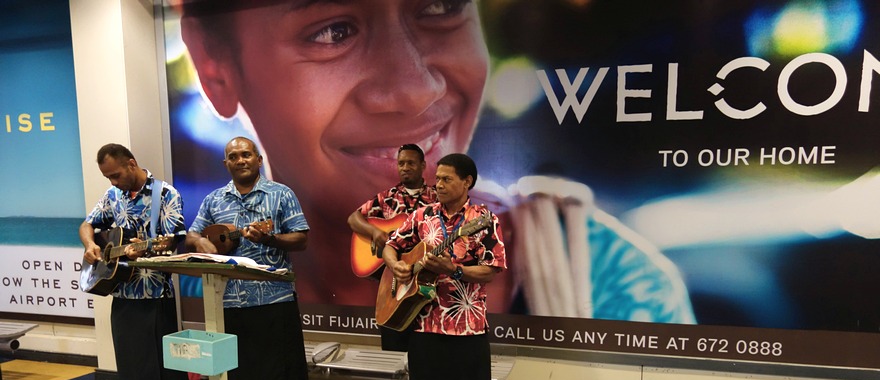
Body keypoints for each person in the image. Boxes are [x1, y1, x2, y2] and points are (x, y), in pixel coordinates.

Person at [176, 1, 693, 318]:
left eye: (442, 6)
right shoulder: (207, 279)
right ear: (213, 66)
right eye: (333, 31)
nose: (417, 90)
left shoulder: (610, 279)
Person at [185, 136, 326, 380]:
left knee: (290, 369)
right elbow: (194, 233)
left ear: (258, 158)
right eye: (233, 156)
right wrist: (199, 243)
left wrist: (271, 237)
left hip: (276, 297)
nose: (240, 160)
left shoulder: (280, 194)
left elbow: (301, 239)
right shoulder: (215, 199)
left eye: (246, 154)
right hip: (232, 299)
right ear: (226, 164)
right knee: (251, 370)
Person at [383, 153, 510, 380]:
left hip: (467, 322)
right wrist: (395, 264)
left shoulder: (483, 218)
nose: (437, 184)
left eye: (446, 179)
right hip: (424, 317)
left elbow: (492, 270)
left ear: (467, 182)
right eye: (436, 178)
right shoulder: (422, 215)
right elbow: (391, 245)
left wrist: (454, 269)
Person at [79, 143, 193, 380]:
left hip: (157, 292)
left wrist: (144, 249)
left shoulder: (165, 194)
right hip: (123, 290)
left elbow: (170, 240)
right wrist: (92, 246)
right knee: (134, 358)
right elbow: (87, 224)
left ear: (132, 163)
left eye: (116, 175)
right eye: (107, 177)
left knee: (169, 361)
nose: (113, 182)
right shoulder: (113, 196)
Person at [347, 143, 437, 380]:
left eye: (411, 163)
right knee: (392, 335)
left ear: (423, 166)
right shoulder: (388, 197)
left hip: (425, 279)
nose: (405, 168)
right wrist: (375, 233)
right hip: (393, 278)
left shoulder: (436, 196)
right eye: (401, 163)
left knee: (426, 339)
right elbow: (354, 219)